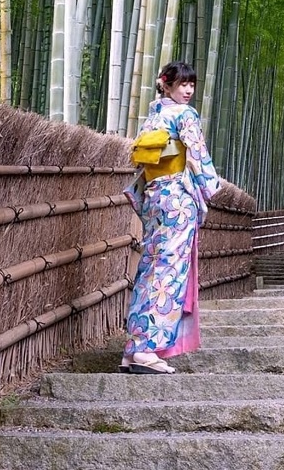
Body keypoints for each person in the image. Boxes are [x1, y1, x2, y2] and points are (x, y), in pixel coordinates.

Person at [120, 60, 221, 374]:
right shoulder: (184, 115)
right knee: (169, 271)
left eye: (192, 85)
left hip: (153, 198)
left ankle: (134, 347)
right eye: (182, 85)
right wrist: (211, 187)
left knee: (150, 268)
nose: (188, 91)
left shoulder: (154, 115)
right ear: (166, 84)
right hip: (177, 199)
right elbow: (198, 154)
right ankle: (149, 348)